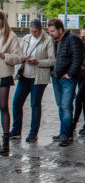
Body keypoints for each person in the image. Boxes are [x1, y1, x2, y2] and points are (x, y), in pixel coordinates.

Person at [10, 19, 55, 143]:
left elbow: (52, 61)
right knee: (16, 102)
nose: (33, 34)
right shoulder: (26, 38)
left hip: (38, 77)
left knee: (35, 104)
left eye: (36, 32)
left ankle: (33, 133)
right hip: (25, 74)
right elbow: (18, 53)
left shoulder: (47, 40)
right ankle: (16, 130)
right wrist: (22, 58)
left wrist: (38, 62)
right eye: (31, 31)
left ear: (41, 29)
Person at [48, 18, 84, 147]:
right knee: (61, 106)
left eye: (52, 31)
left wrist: (70, 74)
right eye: (49, 31)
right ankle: (64, 132)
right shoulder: (55, 41)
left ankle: (66, 135)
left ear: (60, 30)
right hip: (56, 77)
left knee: (66, 106)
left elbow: (78, 58)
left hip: (67, 78)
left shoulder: (72, 38)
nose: (50, 33)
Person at [0, 12, 24, 154]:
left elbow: (19, 57)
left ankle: (6, 140)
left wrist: (3, 55)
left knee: (3, 106)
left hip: (3, 74)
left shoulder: (11, 36)